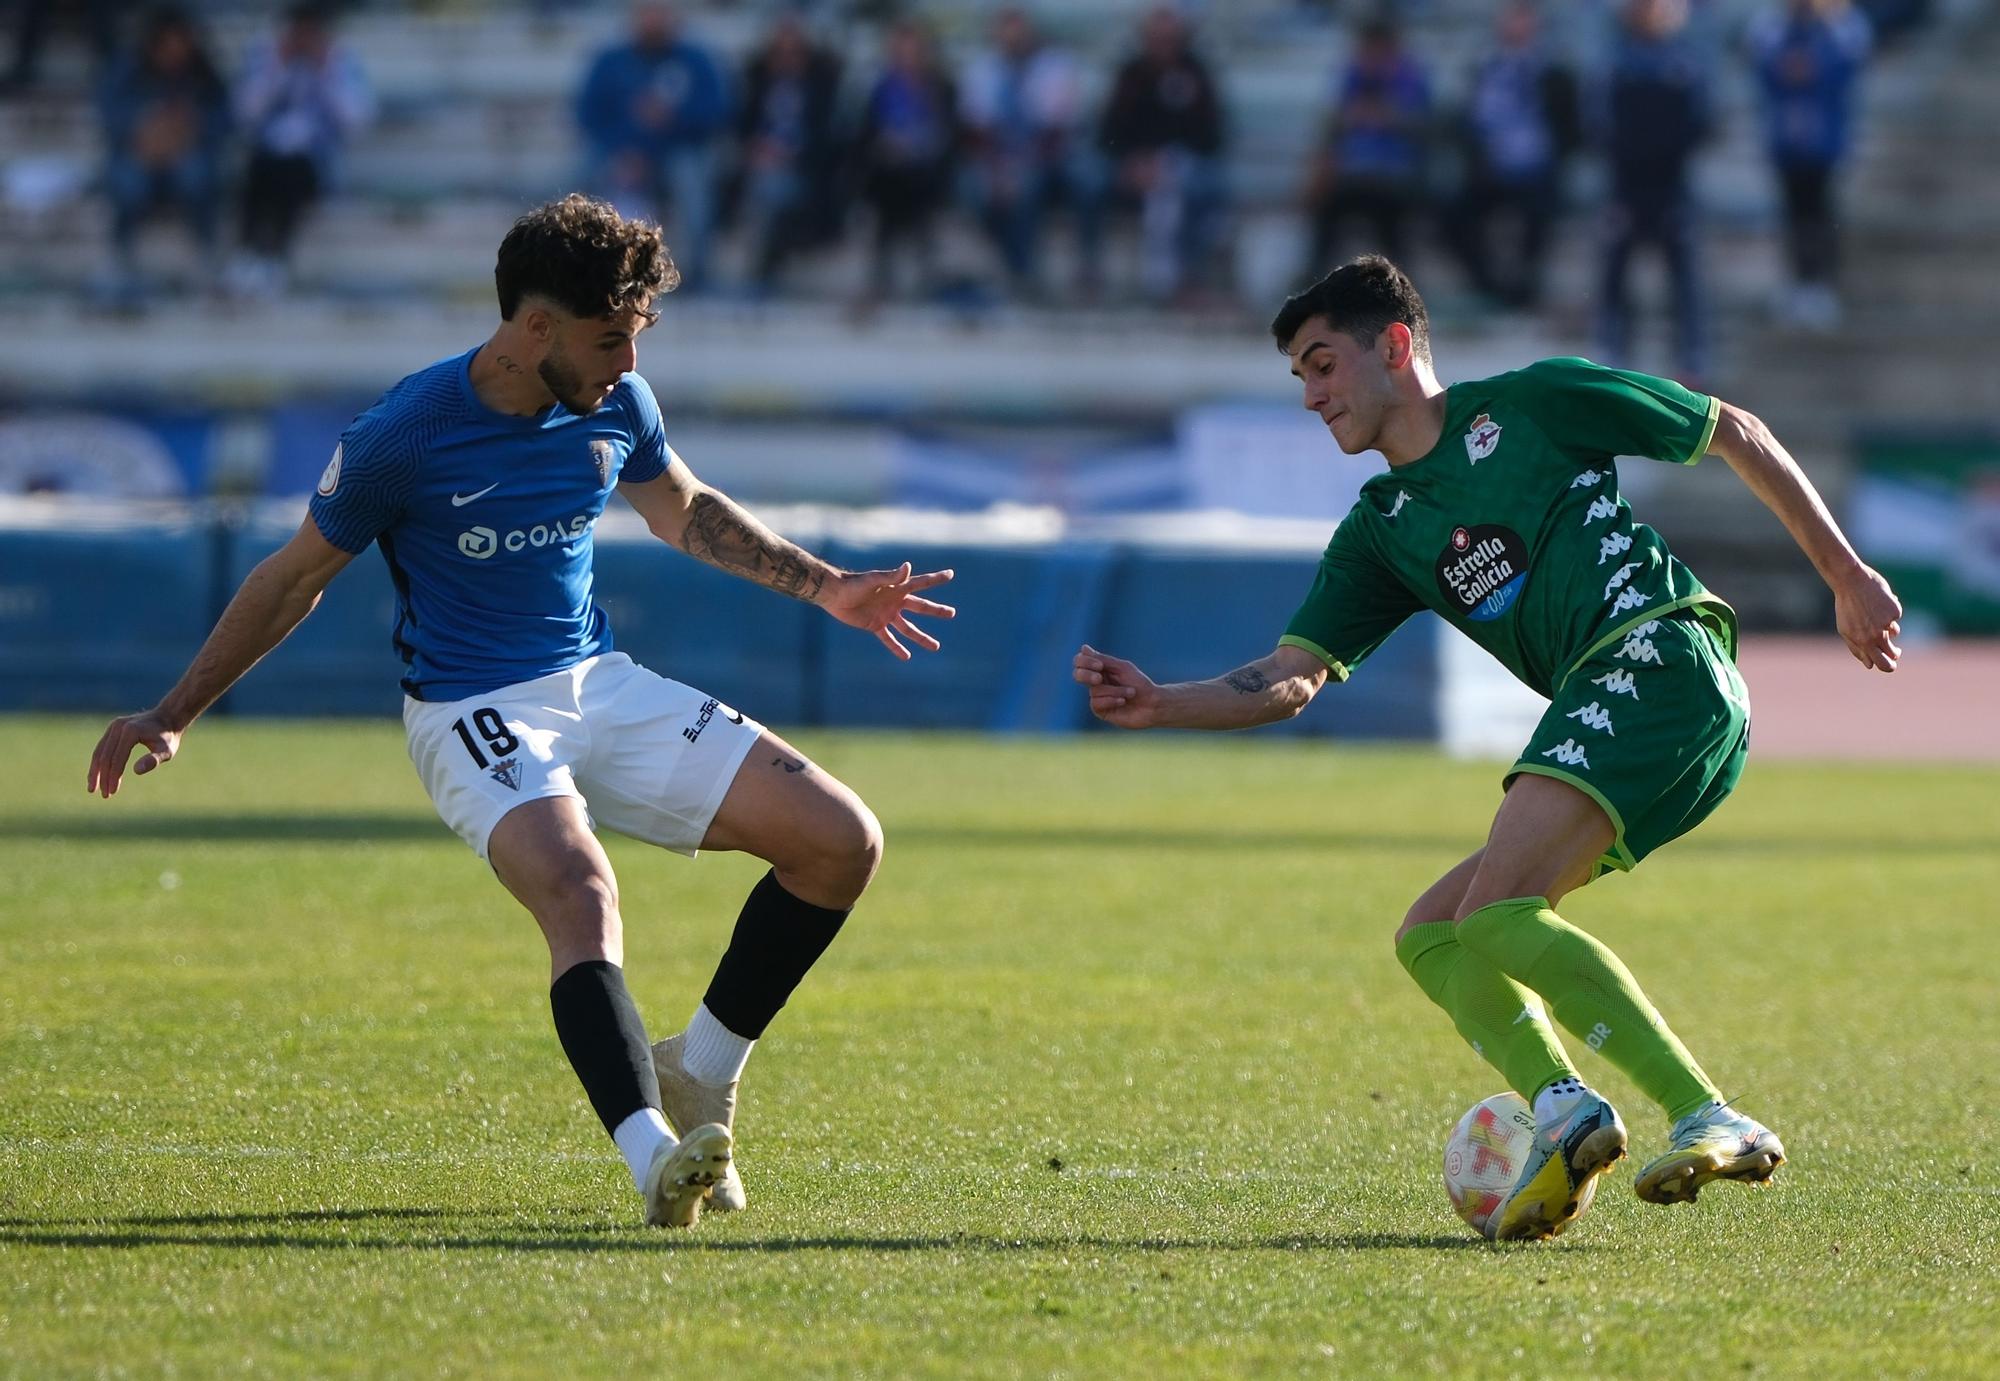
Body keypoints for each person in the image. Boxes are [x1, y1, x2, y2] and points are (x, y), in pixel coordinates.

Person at [86, 195, 957, 1229]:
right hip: (470, 706)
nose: (625, 366)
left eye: (634, 341)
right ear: (533, 327)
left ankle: (701, 1072)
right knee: (582, 893)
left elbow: (681, 506)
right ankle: (650, 1158)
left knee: (840, 841)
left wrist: (826, 587)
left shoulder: (613, 402)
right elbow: (291, 579)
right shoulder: (403, 434)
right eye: (608, 341)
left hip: (597, 680)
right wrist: (176, 709)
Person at [1073, 256, 1904, 1240]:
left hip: (1657, 655)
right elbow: (1292, 675)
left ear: (1394, 345)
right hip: (1643, 710)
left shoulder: (1532, 403)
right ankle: (1563, 1107)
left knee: (1499, 911)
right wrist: (1158, 701)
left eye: (1322, 364)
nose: (1310, 396)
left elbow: (1730, 428)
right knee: (1433, 931)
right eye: (1298, 376)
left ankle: (1704, 1112)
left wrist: (1844, 575)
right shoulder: (1381, 529)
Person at [1595, 0, 1712, 383]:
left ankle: (1691, 356)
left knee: (1684, 275)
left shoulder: (1686, 64)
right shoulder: (1616, 63)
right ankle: (1613, 348)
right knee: (1615, 268)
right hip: (1626, 184)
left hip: (1672, 184)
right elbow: (1601, 125)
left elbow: (1702, 122)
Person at [576, 2, 729, 291]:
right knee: (574, 177)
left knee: (691, 181)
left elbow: (715, 113)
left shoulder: (695, 61)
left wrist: (672, 121)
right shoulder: (611, 61)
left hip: (678, 150)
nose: (653, 20)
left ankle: (697, 270)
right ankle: (579, 269)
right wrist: (624, 150)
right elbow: (589, 114)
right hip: (619, 152)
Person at [958, 6, 1103, 300]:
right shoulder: (983, 69)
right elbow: (976, 130)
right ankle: (1016, 264)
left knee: (1070, 181)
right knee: (971, 188)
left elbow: (1055, 131)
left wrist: (1019, 167)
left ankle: (1079, 265)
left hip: (1046, 158)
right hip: (998, 161)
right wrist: (1000, 168)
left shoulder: (1055, 66)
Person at [231, 2, 373, 297]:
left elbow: (355, 120)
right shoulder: (266, 56)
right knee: (263, 169)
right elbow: (245, 112)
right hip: (267, 159)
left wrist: (325, 72)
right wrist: (277, 68)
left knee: (290, 173)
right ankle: (248, 254)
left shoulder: (341, 62)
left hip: (314, 162)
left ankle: (274, 257)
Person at [1444, 0, 1579, 312]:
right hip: (1491, 171)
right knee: (1452, 217)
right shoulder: (1486, 69)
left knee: (1539, 213)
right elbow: (1469, 124)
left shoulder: (1554, 72)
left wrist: (1549, 157)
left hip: (1538, 172)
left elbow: (1571, 128)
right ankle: (1489, 285)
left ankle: (1525, 290)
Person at [96, 4, 231, 302]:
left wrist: (188, 130)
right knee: (127, 181)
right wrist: (144, 131)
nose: (175, 52)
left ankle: (204, 252)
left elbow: (222, 121)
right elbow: (111, 116)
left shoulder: (205, 75)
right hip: (138, 152)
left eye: (181, 43)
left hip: (187, 154)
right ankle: (121, 254)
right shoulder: (128, 70)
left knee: (198, 174)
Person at [1749, 0, 1870, 330]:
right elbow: (1763, 63)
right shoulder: (1775, 27)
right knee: (1792, 214)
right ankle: (1797, 282)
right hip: (1787, 142)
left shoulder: (1841, 26)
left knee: (1821, 213)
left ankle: (1822, 283)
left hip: (1825, 143)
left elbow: (1849, 61)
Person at [1098, 6, 1227, 303]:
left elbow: (1213, 135)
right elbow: (1109, 131)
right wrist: (1132, 161)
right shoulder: (1131, 73)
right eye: (1157, 38)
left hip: (1187, 163)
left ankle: (1187, 278)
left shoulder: (1196, 72)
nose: (1163, 46)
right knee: (1092, 182)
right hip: (1136, 165)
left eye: (1170, 39)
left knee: (1196, 190)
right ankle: (1150, 282)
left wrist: (1170, 158)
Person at [1303, 18, 1432, 279]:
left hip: (1396, 178)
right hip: (1352, 177)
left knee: (1390, 216)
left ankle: (1404, 287)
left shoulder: (1410, 77)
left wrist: (1384, 116)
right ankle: (1313, 282)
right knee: (1327, 211)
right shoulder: (1352, 76)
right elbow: (1334, 122)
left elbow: (1422, 126)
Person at [729, 10, 844, 296]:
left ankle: (764, 270)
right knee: (759, 182)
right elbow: (741, 126)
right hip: (756, 161)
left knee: (771, 187)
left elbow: (826, 138)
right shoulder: (756, 80)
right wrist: (756, 148)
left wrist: (788, 153)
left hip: (806, 167)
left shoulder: (821, 87)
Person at [852, 18, 958, 306]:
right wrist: (888, 144)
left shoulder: (940, 88)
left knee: (915, 182)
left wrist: (917, 145)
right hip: (888, 169)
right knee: (888, 182)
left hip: (928, 167)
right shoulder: (881, 88)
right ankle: (884, 271)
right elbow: (866, 133)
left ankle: (923, 267)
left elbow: (948, 133)